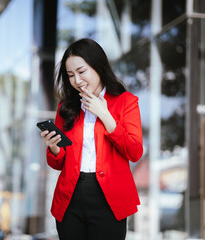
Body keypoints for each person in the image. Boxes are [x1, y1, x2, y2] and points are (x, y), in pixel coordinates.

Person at [40, 38, 143, 240]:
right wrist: (53, 148)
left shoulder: (126, 102)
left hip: (109, 198)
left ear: (98, 66)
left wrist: (104, 114)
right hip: (70, 198)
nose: (77, 80)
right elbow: (58, 163)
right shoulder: (66, 108)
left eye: (81, 71)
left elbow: (135, 151)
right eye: (70, 75)